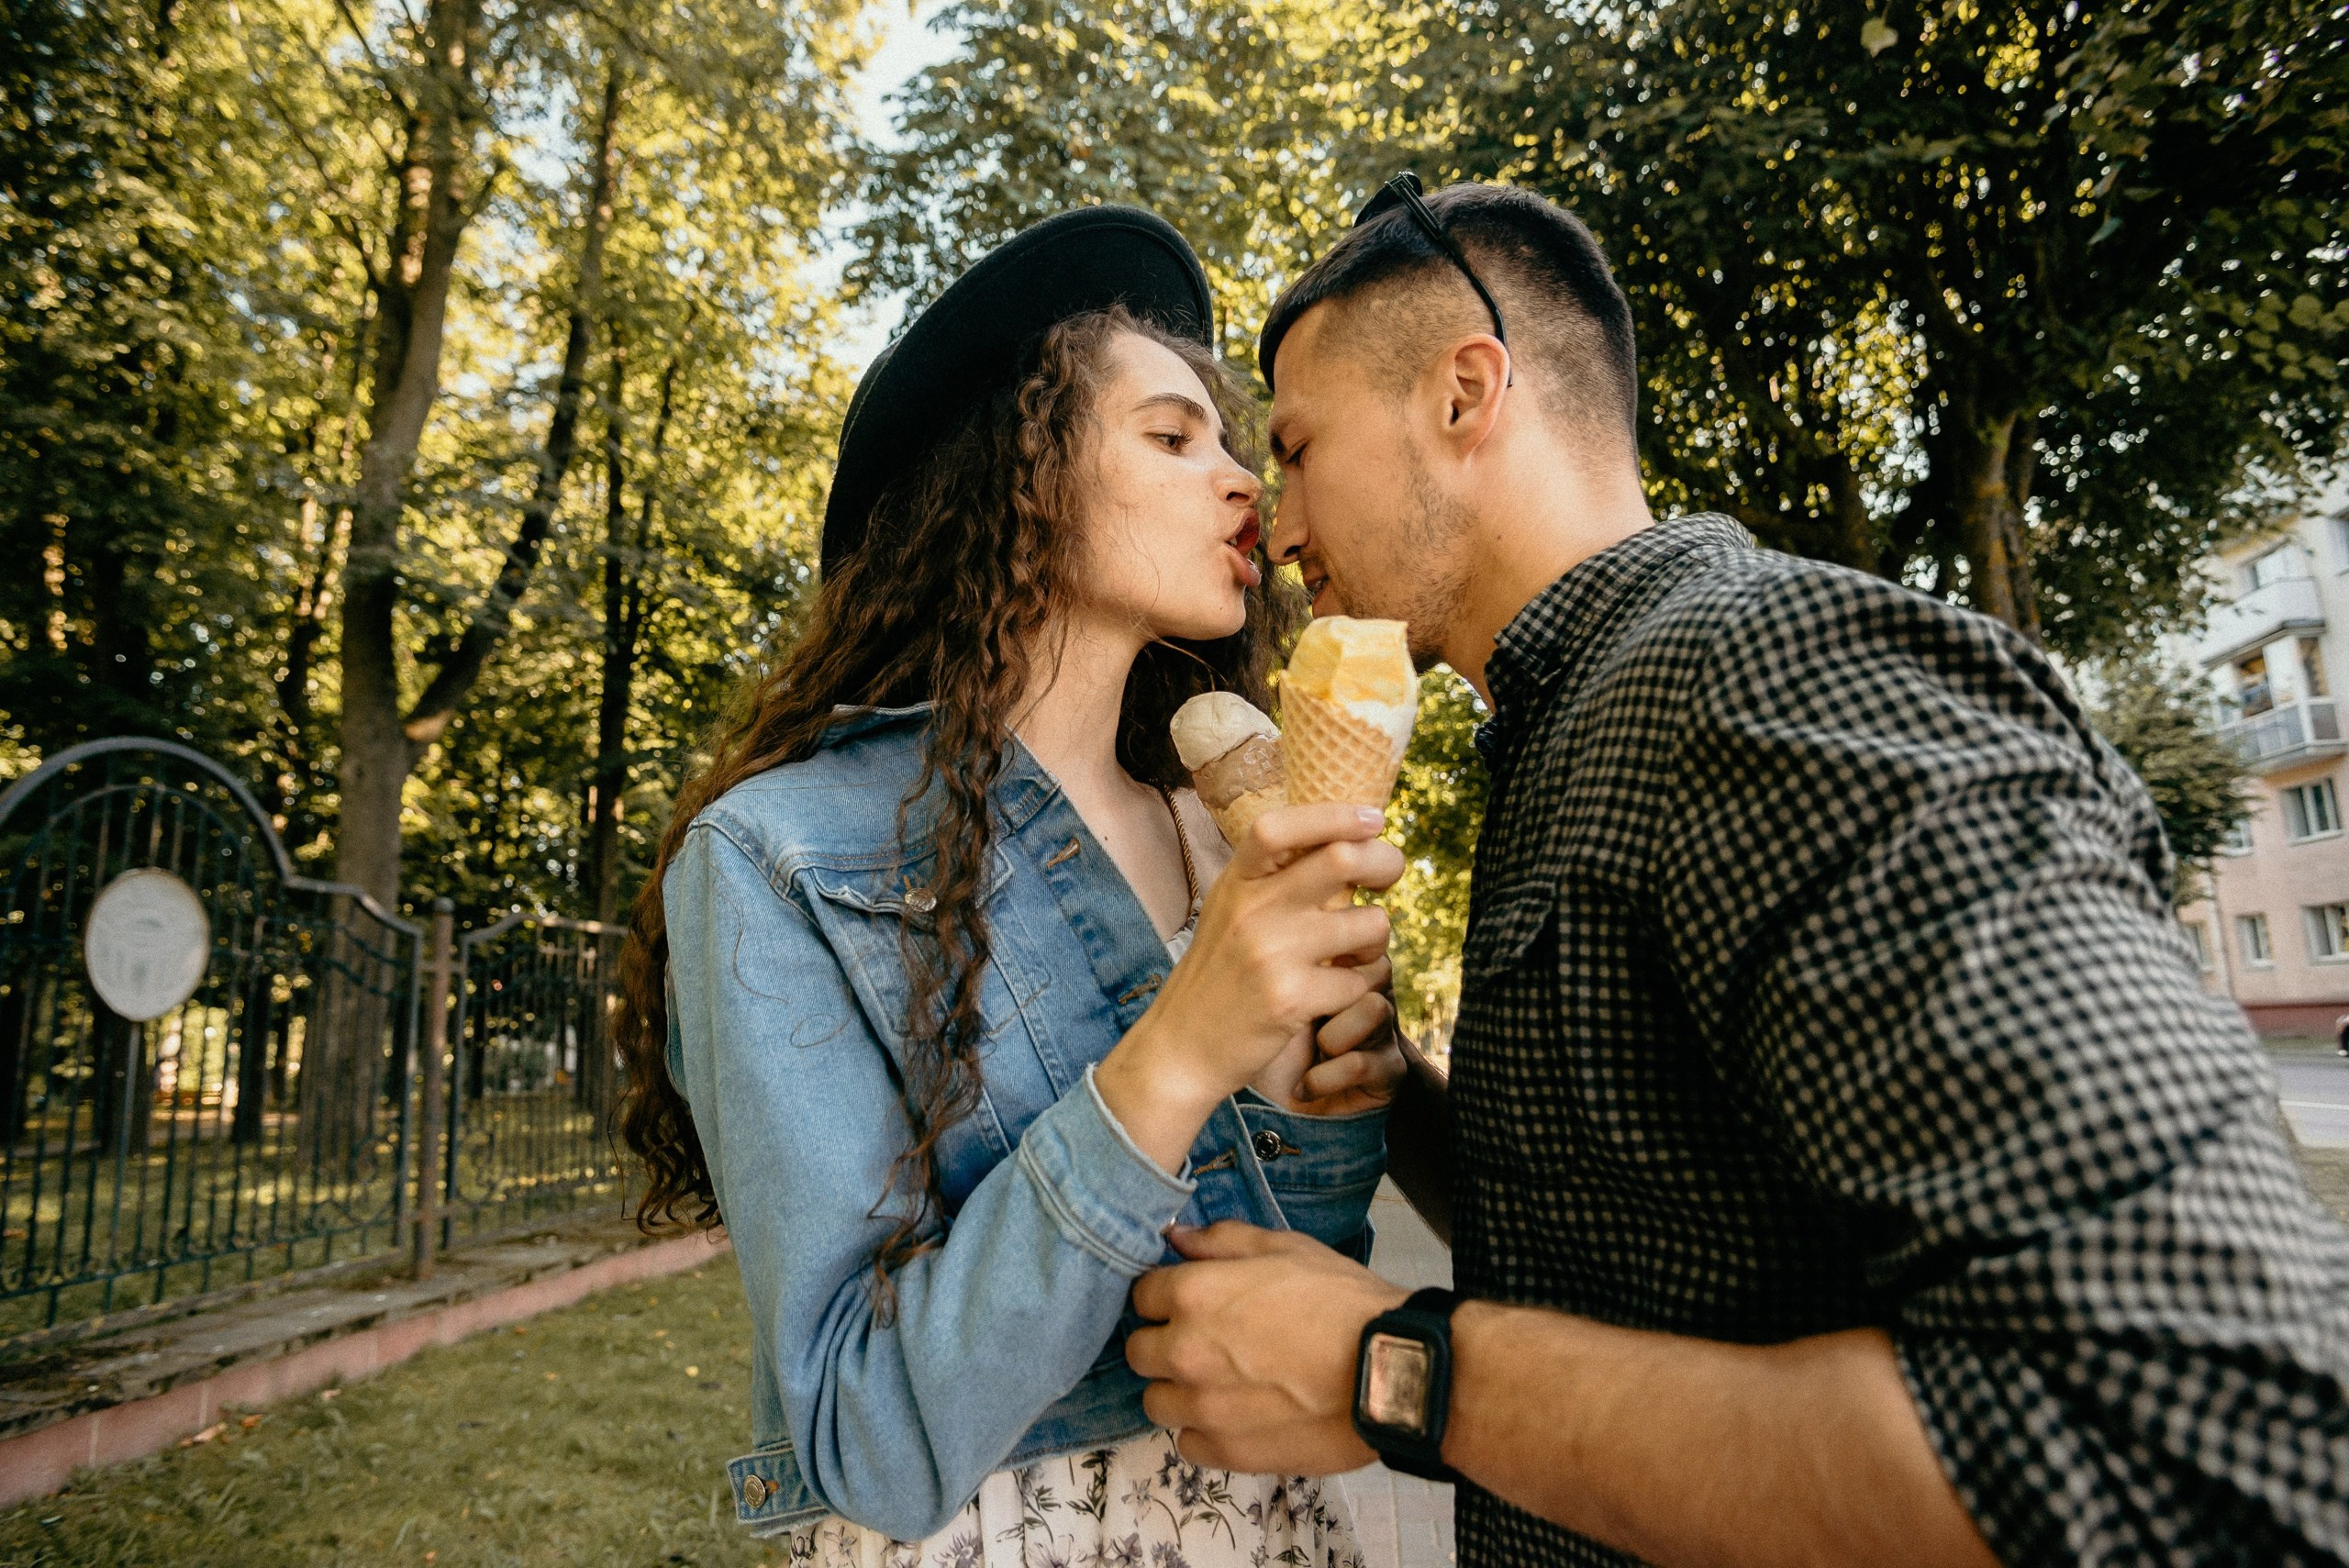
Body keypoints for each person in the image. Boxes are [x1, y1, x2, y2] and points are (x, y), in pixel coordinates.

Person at [1123, 177, 2349, 1567]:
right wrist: (1396, 1086)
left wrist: (1391, 1368)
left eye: (1292, 448)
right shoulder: (1571, 723)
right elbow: (1650, 1249)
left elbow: (2194, 1435)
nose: (1276, 524)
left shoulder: (1766, 670)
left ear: (1466, 394)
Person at [612, 207, 1408, 1562]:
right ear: (1018, 479)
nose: (1241, 485)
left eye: (1232, 444)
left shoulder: (1219, 829)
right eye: (1173, 436)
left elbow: (1295, 1275)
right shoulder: (770, 855)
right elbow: (863, 1427)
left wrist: (1325, 1098)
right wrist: (1181, 1048)